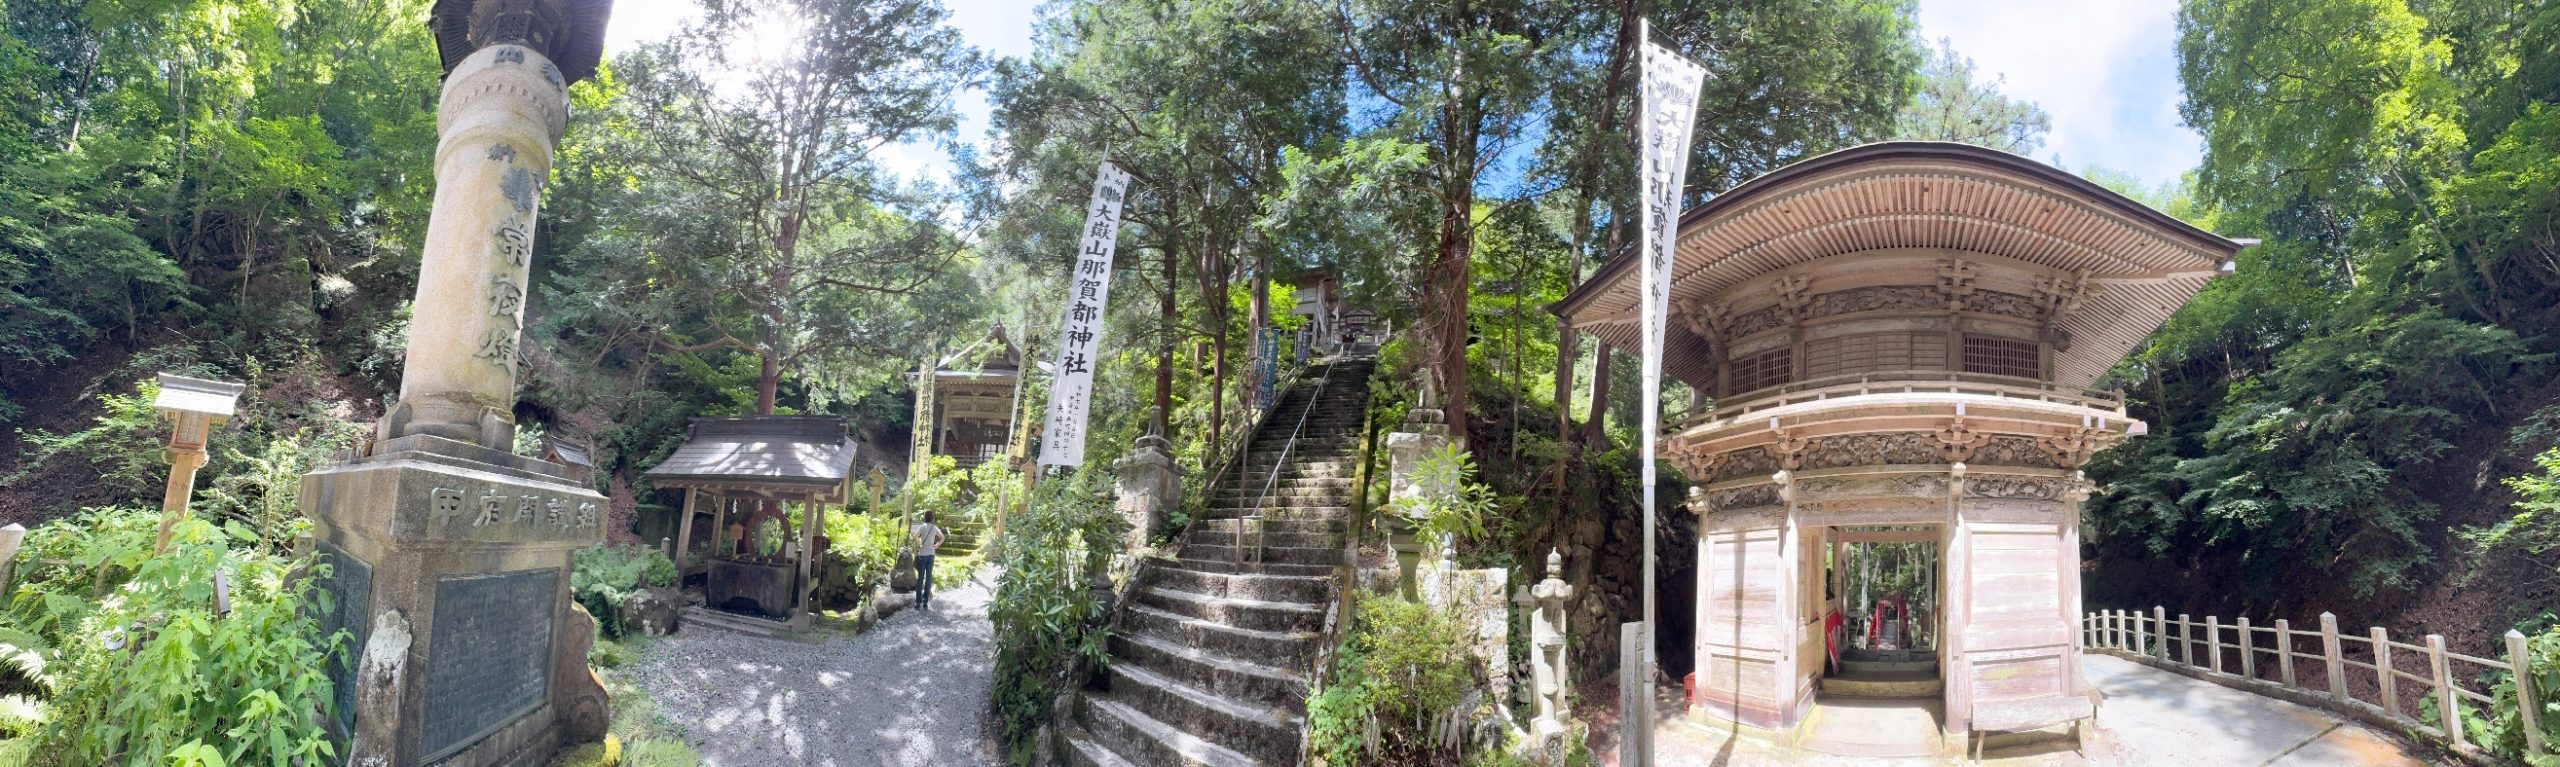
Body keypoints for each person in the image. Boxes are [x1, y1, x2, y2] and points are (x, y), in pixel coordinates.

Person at [910, 511, 946, 610]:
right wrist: (936, 546)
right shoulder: (934, 527)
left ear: (925, 517)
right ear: (932, 517)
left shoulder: (922, 527)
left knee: (920, 578)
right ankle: (925, 602)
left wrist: (919, 544)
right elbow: (942, 538)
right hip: (931, 555)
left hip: (923, 555)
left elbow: (915, 536)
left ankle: (918, 602)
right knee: (929, 578)